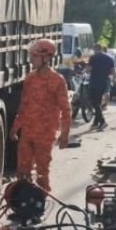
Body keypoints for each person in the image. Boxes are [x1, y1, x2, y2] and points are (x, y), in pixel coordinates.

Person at [9, 38, 72, 192]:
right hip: (27, 133)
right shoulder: (30, 78)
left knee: (42, 173)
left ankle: (41, 199)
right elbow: (23, 106)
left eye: (34, 56)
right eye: (31, 56)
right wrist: (15, 127)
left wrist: (64, 134)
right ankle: (25, 200)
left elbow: (66, 110)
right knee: (22, 172)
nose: (31, 60)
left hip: (45, 135)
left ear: (46, 58)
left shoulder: (57, 81)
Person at [85, 42, 115, 130]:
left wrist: (85, 71)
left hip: (95, 82)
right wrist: (113, 79)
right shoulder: (109, 58)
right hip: (104, 82)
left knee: (95, 103)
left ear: (95, 49)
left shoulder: (93, 57)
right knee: (98, 103)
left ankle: (102, 122)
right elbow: (112, 71)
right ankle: (95, 123)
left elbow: (89, 69)